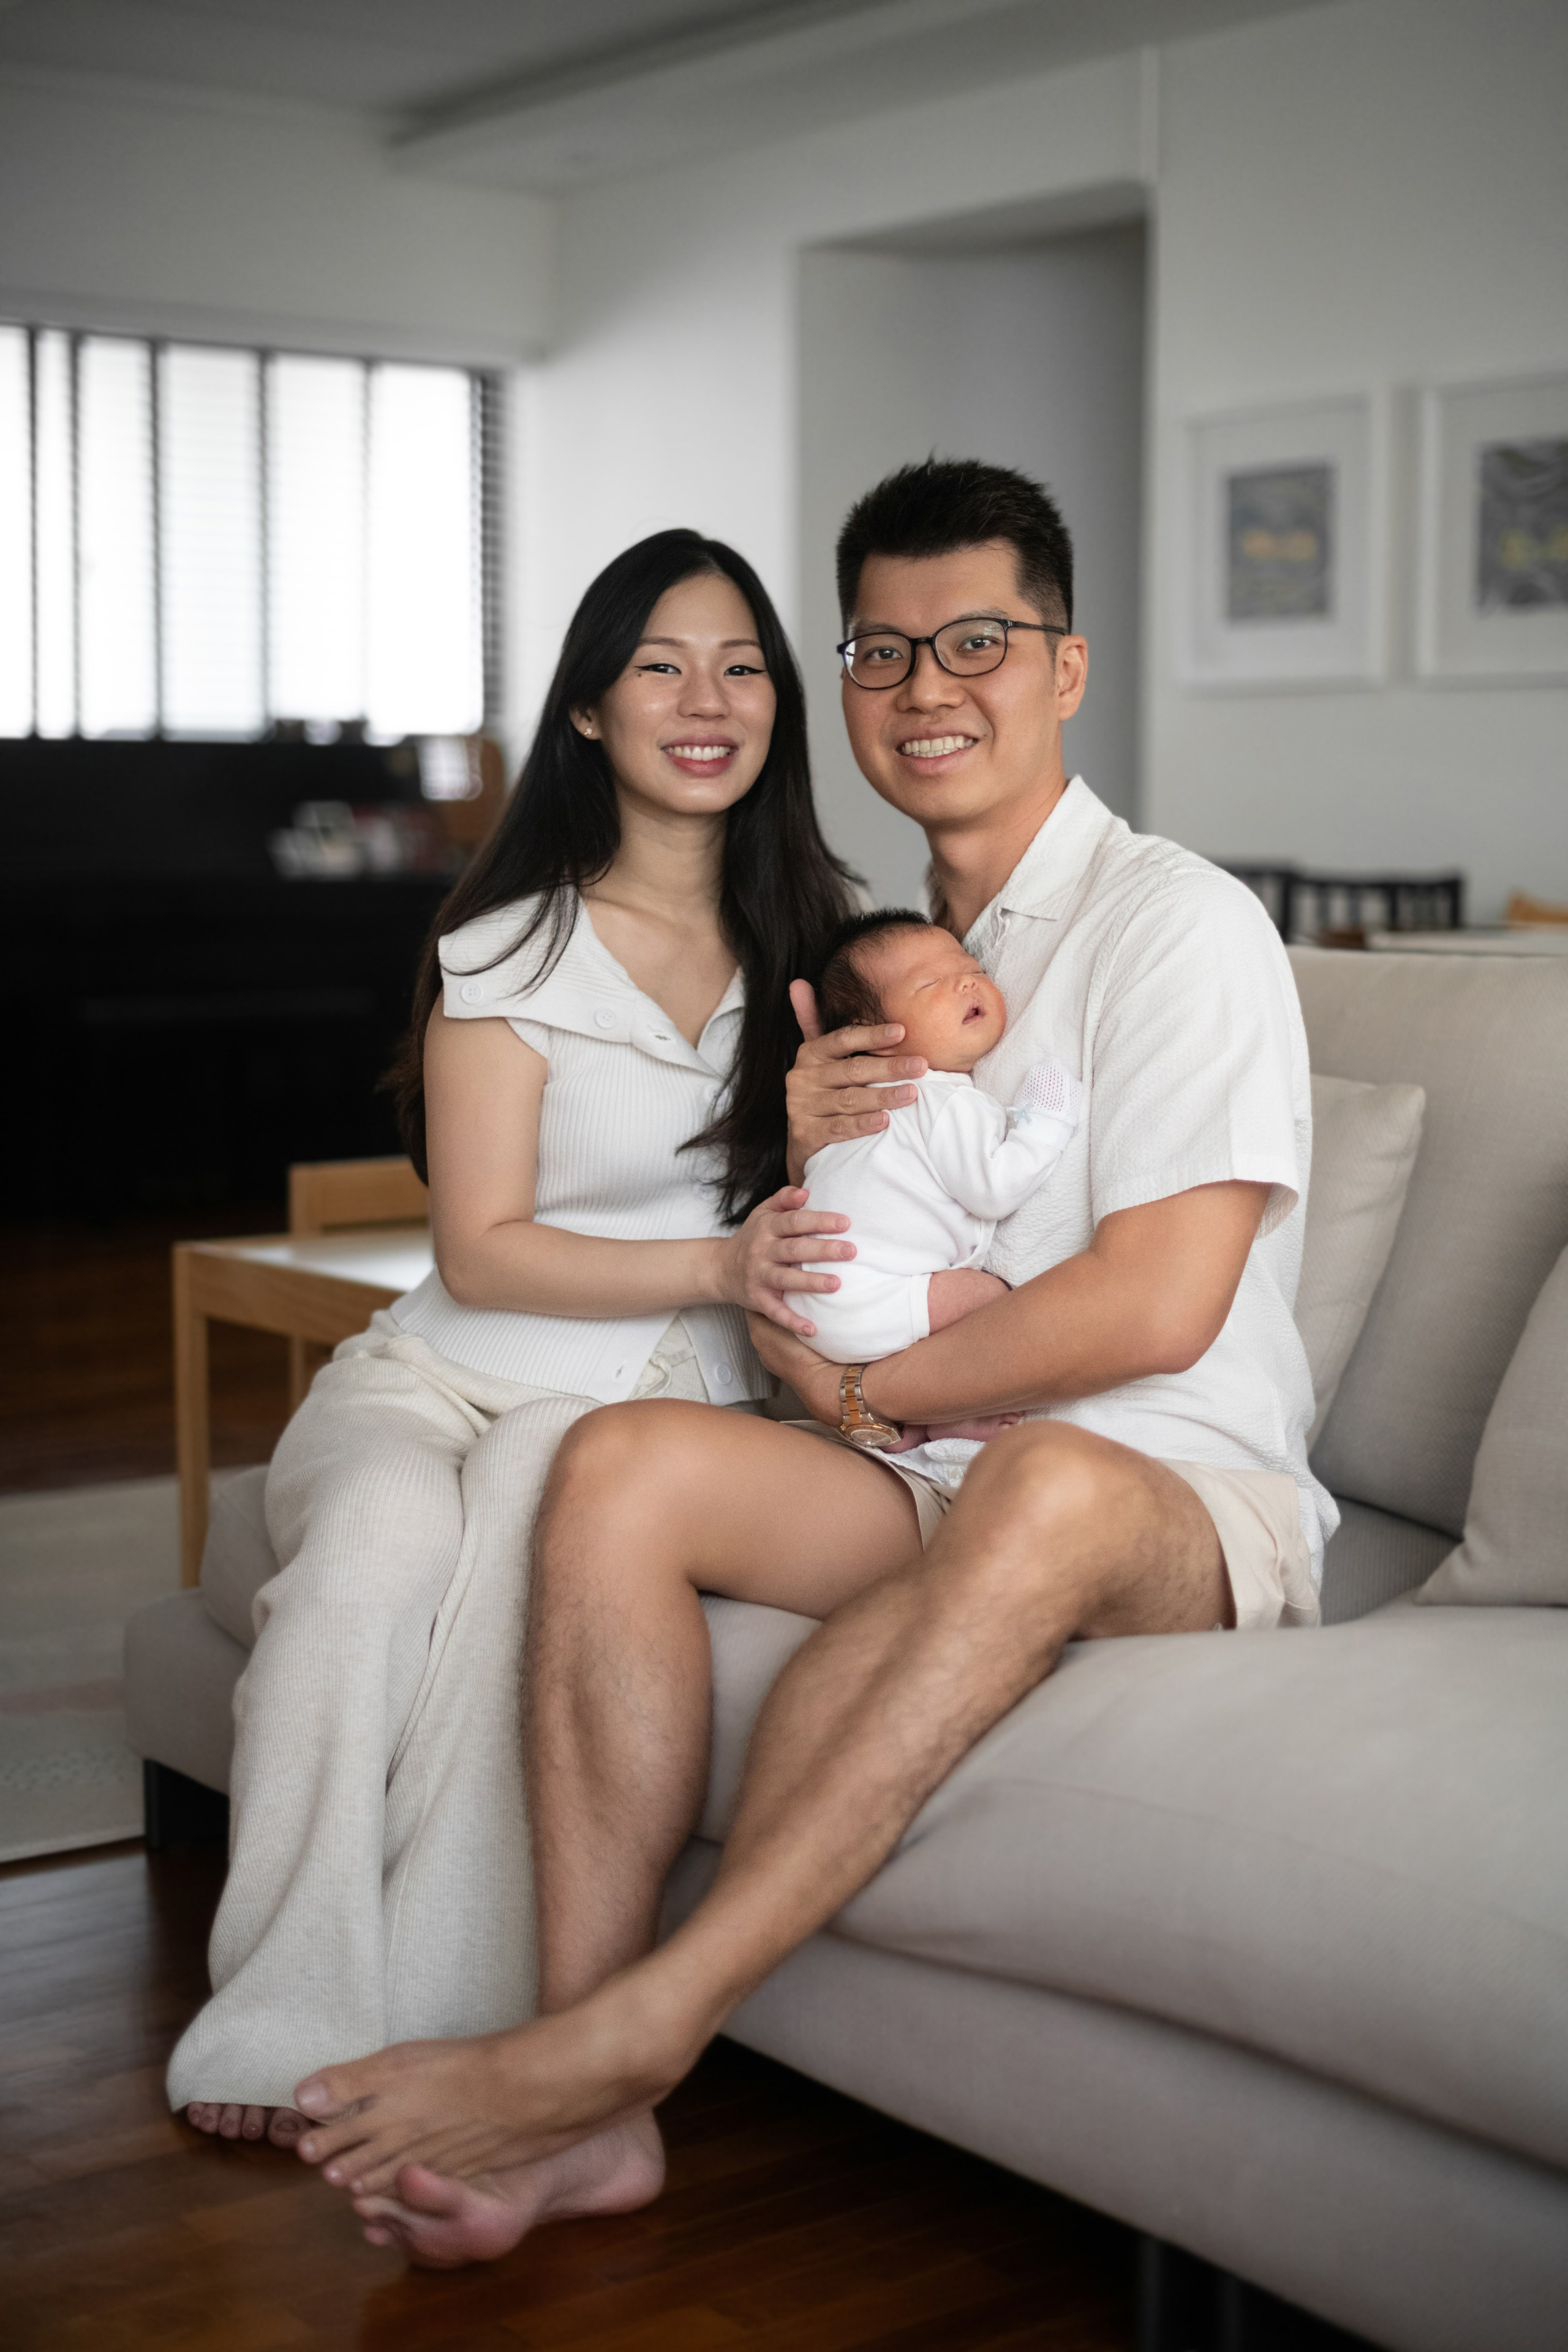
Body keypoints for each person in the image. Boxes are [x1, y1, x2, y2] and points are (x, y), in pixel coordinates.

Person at [285, 457, 1336, 2269]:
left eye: (979, 641)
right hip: (931, 1473)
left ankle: (620, 2045)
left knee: (1050, 1470)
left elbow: (1153, 1306)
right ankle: (591, 2108)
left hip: (1171, 1491)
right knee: (614, 1464)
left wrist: (864, 1397)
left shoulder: (1177, 922)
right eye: (881, 648)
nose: (928, 686)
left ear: (1065, 670)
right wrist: (802, 1204)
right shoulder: (864, 961)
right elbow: (808, 1300)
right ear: (840, 687)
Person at [172, 527, 862, 2144]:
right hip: (437, 1384)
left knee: (511, 1601)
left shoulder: (824, 949)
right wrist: (718, 1265)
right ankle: (274, 2016)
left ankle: (452, 2034)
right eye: (661, 667)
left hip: (644, 1423)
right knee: (364, 1573)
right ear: (588, 715)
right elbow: (479, 1252)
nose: (708, 701)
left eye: (744, 665)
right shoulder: (508, 947)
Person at [784, 910, 1082, 1471]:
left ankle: (903, 1427)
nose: (964, 983)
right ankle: (951, 1419)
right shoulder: (940, 1099)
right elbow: (995, 1188)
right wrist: (1049, 1115)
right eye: (929, 984)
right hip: (861, 1299)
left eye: (969, 968)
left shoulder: (862, 1116)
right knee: (988, 1300)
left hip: (817, 1297)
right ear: (872, 1042)